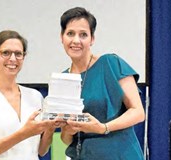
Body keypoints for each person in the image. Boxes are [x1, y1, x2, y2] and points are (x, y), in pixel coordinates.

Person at [59, 7, 145, 160]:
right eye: (70, 33)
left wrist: (103, 128)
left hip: (120, 154)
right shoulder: (63, 79)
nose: (76, 40)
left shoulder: (111, 63)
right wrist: (69, 130)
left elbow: (138, 112)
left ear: (92, 39)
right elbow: (66, 140)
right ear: (62, 37)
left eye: (83, 34)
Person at [0, 30, 59, 160]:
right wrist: (24, 133)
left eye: (18, 54)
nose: (13, 59)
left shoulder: (35, 97)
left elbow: (41, 151)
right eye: (6, 53)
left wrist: (50, 128)